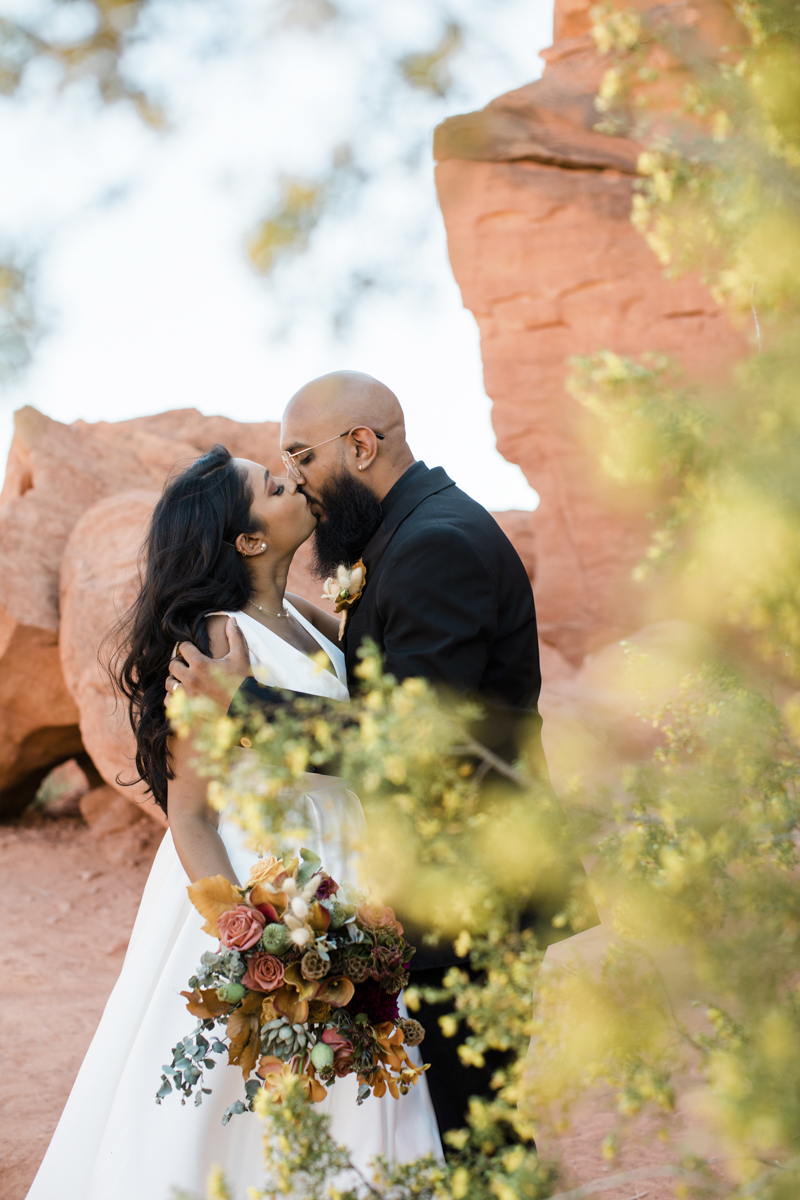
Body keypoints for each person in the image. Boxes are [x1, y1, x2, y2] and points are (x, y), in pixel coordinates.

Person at [166, 372, 596, 1142]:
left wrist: (247, 703)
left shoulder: (434, 545)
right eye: (281, 469)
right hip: (411, 894)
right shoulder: (404, 536)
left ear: (361, 445)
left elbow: (411, 740)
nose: (295, 477)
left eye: (300, 457)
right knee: (448, 1127)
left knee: (472, 1132)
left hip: (467, 893)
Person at [26, 445, 441, 1200]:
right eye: (276, 487)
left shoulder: (311, 617)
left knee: (355, 1070)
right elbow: (188, 811)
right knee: (241, 1090)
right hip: (265, 886)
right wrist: (248, 937)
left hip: (346, 874)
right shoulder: (218, 640)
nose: (296, 485)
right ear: (249, 540)